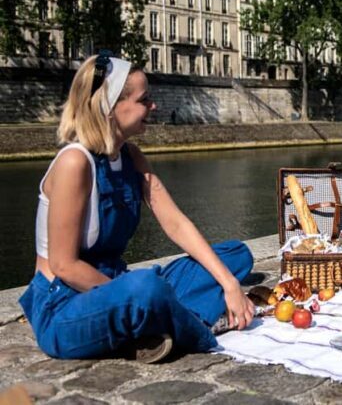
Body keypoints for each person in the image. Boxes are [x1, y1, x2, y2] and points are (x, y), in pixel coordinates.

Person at [18, 52, 255, 363]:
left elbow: (175, 223)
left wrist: (229, 284)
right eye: (145, 99)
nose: (153, 106)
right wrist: (130, 293)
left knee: (236, 255)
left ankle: (151, 325)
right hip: (64, 306)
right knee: (147, 288)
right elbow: (63, 266)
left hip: (119, 287)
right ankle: (195, 327)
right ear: (111, 106)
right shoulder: (75, 163)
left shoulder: (131, 157)